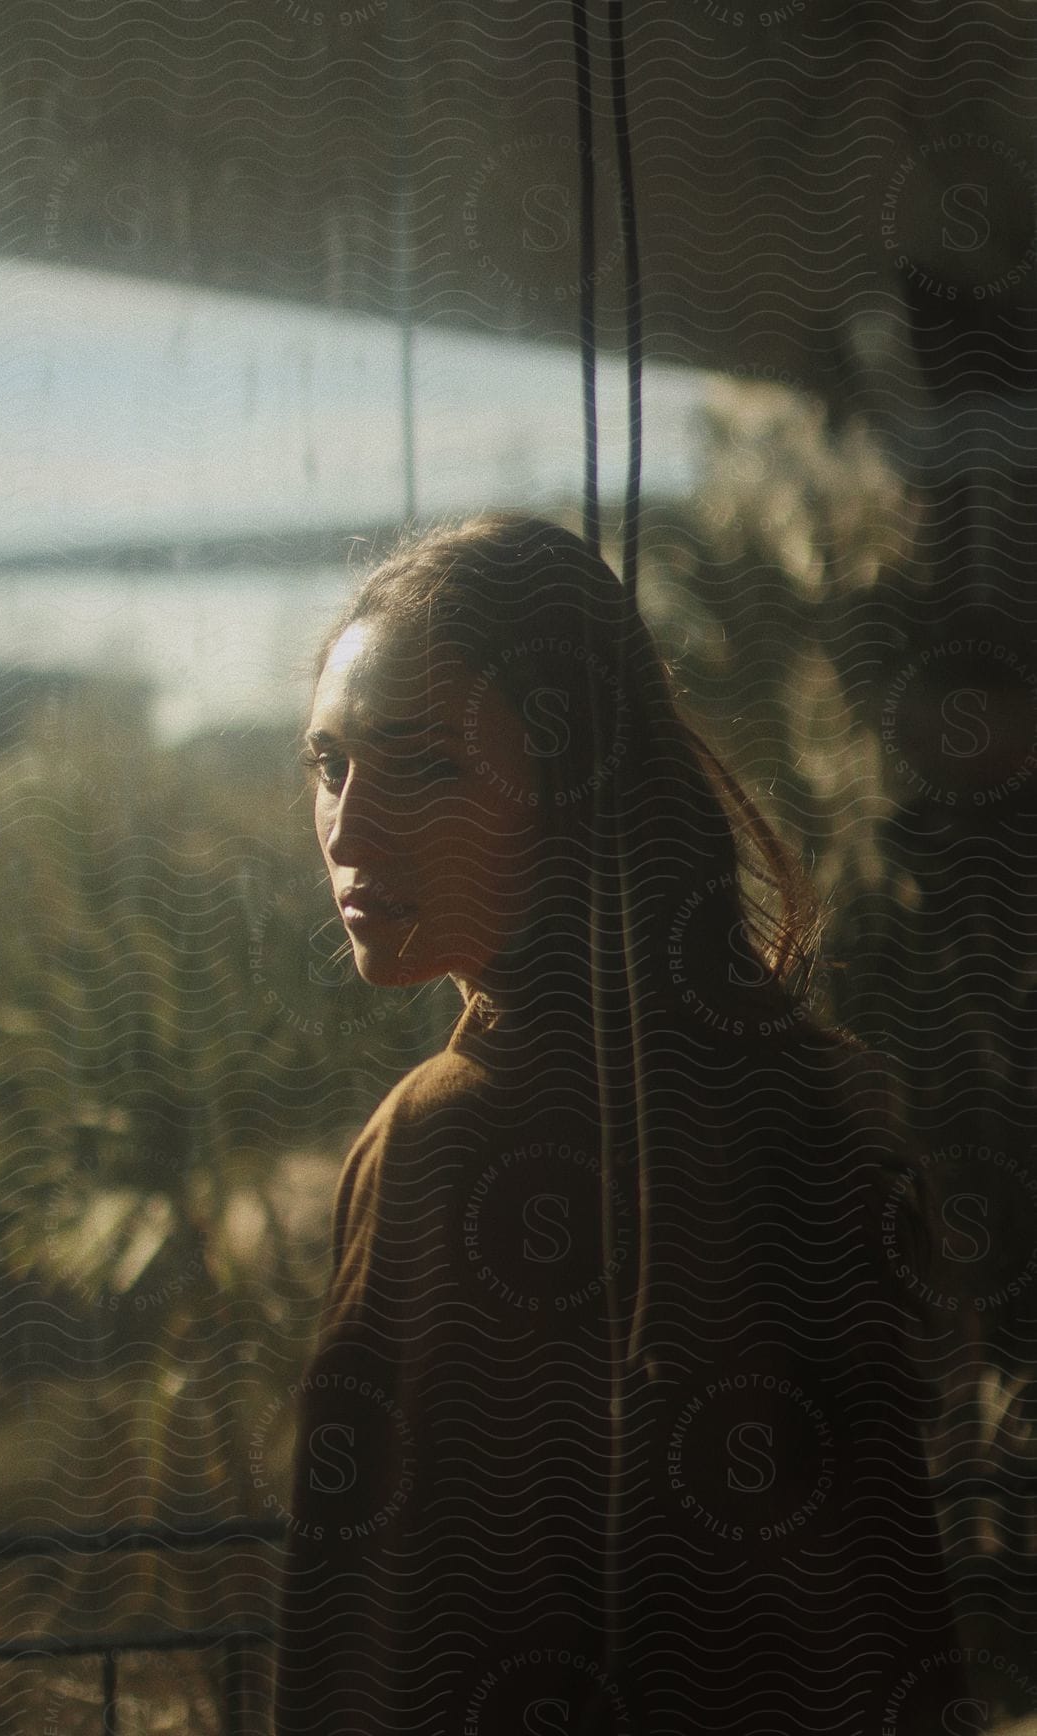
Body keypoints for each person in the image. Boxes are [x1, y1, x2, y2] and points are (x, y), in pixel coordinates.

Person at [271, 512, 965, 1735]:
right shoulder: (809, 1091)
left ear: (570, 781)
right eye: (330, 764)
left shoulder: (446, 1141)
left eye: (423, 762)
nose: (348, 825)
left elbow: (375, 1639)